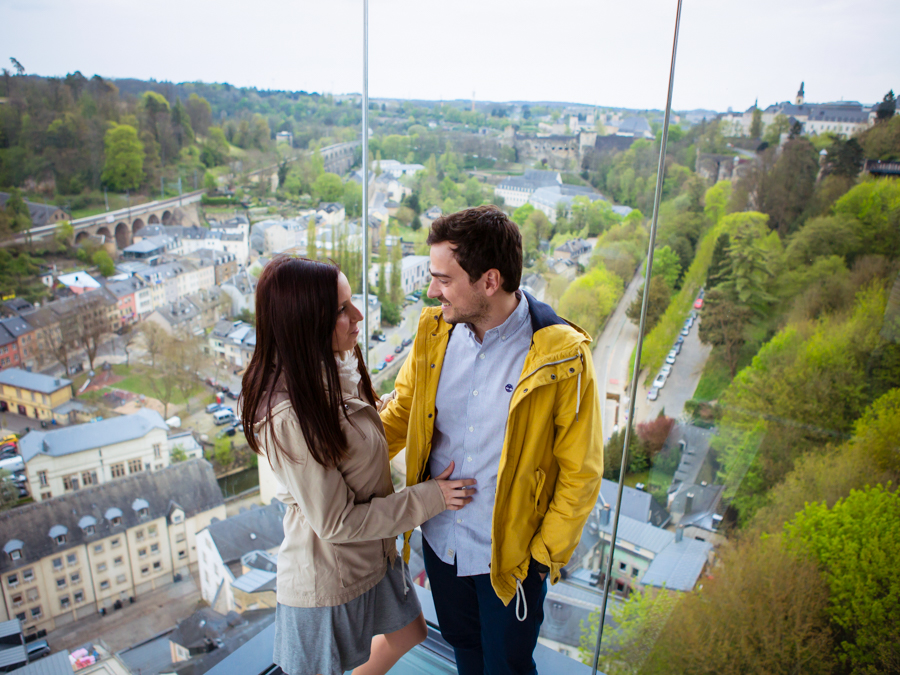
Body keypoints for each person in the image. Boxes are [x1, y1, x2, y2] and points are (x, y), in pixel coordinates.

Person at [380, 206, 603, 675]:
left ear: (489, 281)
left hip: (512, 562)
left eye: (443, 279)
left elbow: (581, 473)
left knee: (508, 667)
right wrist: (327, 456)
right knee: (465, 651)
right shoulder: (432, 333)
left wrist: (541, 560)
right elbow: (400, 415)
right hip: (441, 544)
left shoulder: (562, 357)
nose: (431, 291)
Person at [239, 255, 476, 675]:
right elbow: (336, 522)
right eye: (341, 310)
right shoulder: (290, 414)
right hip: (328, 575)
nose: (359, 316)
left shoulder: (334, 368)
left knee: (410, 634)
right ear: (305, 323)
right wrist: (429, 498)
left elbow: (357, 438)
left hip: (371, 555)